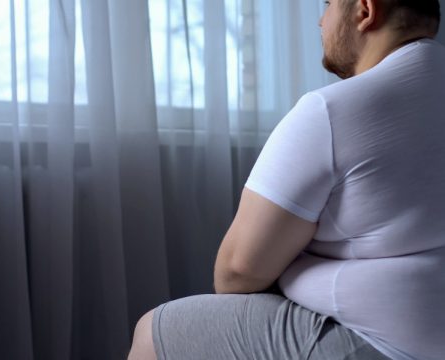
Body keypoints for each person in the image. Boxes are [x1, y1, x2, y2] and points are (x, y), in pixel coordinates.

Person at [129, 0, 445, 358]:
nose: (320, 21)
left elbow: (236, 274)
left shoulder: (332, 111)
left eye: (328, 5)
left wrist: (297, 267)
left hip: (389, 345)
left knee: (155, 331)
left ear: (364, 11)